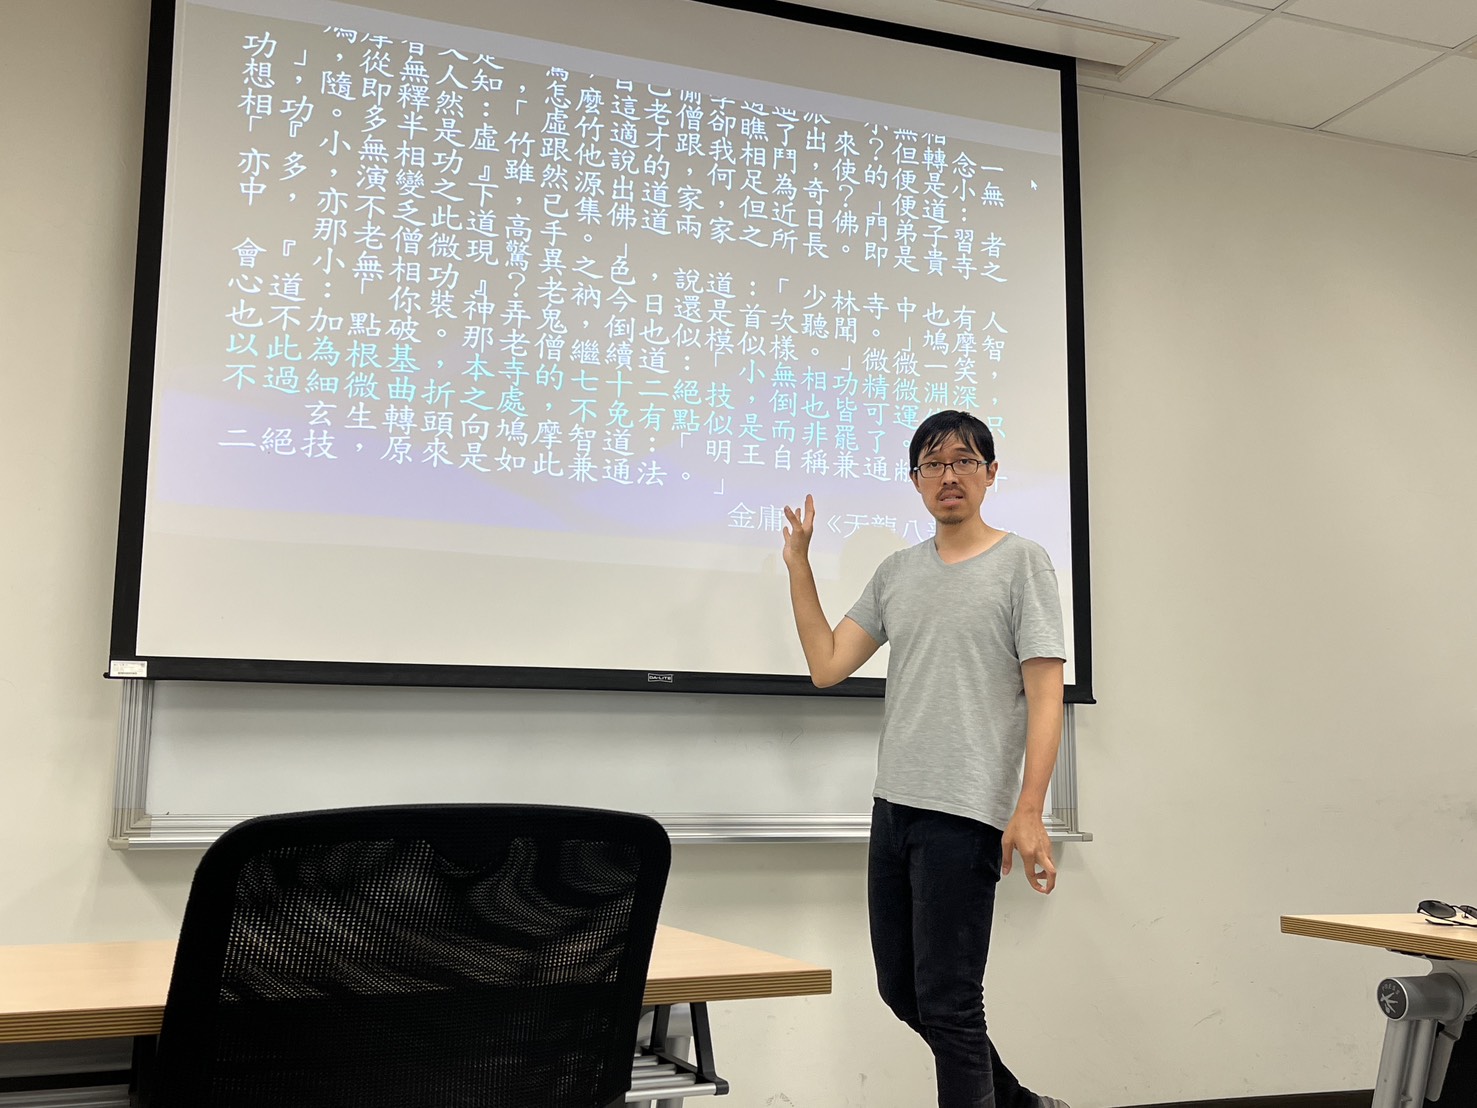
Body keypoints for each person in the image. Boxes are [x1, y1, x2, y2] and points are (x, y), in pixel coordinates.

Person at [782, 409, 1070, 1108]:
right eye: (933, 464)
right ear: (915, 480)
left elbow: (1045, 694)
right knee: (903, 991)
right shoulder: (897, 573)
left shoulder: (1021, 563)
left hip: (964, 812)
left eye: (964, 461)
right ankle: (1023, 1105)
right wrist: (799, 568)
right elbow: (827, 665)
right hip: (894, 808)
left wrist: (1029, 809)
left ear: (990, 474)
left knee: (950, 1001)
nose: (949, 476)